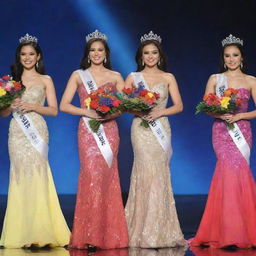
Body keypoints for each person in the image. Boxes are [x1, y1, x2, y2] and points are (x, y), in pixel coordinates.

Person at [60, 30, 128, 250]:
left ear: (106, 53)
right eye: (93, 50)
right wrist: (87, 112)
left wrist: (110, 113)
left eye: (100, 50)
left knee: (107, 179)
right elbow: (64, 105)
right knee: (90, 177)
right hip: (88, 132)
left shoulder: (116, 76)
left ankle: (107, 236)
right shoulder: (78, 75)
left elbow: (125, 106)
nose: (96, 54)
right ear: (88, 54)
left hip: (109, 131)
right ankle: (88, 234)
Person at [0, 33, 70, 248]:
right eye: (23, 54)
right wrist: (11, 105)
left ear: (38, 56)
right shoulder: (10, 81)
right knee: (20, 175)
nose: (27, 58)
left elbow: (54, 110)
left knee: (38, 174)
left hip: (37, 130)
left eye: (31, 54)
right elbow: (2, 113)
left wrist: (32, 106)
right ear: (19, 57)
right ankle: (20, 232)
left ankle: (42, 229)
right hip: (17, 133)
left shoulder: (45, 79)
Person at [190, 34, 256, 248]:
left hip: (241, 131)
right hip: (221, 131)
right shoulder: (215, 79)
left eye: (235, 55)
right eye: (227, 56)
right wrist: (220, 114)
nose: (231, 59)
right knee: (226, 172)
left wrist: (239, 116)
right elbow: (205, 106)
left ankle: (245, 231)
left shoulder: (251, 81)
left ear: (242, 57)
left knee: (240, 173)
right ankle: (225, 231)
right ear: (223, 58)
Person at [124, 31, 186, 248]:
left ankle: (160, 230)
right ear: (141, 56)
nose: (150, 56)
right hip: (140, 129)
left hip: (160, 127)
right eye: (146, 53)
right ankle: (140, 231)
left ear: (159, 55)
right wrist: (138, 108)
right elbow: (122, 104)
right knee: (143, 171)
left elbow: (179, 106)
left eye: (154, 52)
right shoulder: (133, 77)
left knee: (159, 173)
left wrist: (160, 112)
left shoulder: (168, 78)